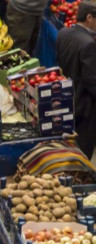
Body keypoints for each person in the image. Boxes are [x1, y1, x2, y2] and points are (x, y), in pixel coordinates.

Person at [57, 1, 96, 157]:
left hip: (67, 98)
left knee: (68, 143)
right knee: (83, 149)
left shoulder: (63, 33)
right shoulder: (88, 44)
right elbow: (92, 81)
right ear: (89, 18)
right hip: (84, 105)